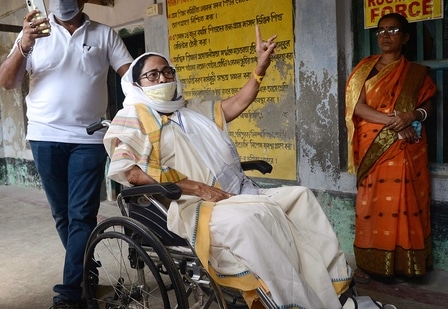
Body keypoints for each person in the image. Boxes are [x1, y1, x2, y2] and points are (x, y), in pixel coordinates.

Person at [102, 25, 380, 309]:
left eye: (167, 71)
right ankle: (295, 301)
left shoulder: (191, 111)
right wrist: (197, 187)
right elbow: (131, 172)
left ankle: (335, 293)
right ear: (137, 84)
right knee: (253, 218)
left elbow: (238, 102)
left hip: (231, 193)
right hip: (188, 204)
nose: (162, 78)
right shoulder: (132, 116)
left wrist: (261, 67)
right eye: (152, 75)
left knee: (300, 198)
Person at [0, 0, 133, 308]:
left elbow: (129, 75)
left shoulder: (104, 34)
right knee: (62, 214)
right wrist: (23, 44)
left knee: (82, 215)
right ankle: (86, 268)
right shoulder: (34, 33)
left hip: (89, 138)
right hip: (44, 138)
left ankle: (69, 293)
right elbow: (7, 82)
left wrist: (144, 108)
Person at [345, 13, 437, 283]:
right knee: (372, 202)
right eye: (380, 31)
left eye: (393, 30)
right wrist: (396, 122)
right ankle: (372, 262)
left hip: (407, 146)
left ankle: (407, 265)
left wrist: (414, 116)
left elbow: (428, 105)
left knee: (407, 200)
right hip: (373, 144)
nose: (385, 35)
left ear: (405, 37)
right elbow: (357, 107)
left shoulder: (416, 73)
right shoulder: (364, 69)